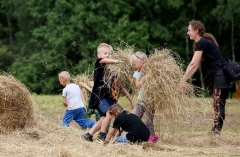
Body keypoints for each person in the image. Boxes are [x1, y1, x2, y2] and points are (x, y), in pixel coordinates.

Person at [181, 20, 231, 134]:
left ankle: (216, 132)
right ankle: (216, 131)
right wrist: (185, 80)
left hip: (221, 76)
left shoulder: (202, 42)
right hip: (222, 76)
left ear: (196, 31)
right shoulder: (202, 43)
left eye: (189, 30)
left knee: (218, 104)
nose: (188, 33)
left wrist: (182, 80)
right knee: (218, 104)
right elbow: (195, 66)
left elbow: (193, 64)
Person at [81, 43, 134, 142]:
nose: (107, 55)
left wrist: (121, 72)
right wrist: (117, 61)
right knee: (109, 113)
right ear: (99, 55)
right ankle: (102, 135)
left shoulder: (110, 70)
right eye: (105, 53)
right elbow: (105, 60)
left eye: (109, 53)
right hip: (99, 96)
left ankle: (88, 135)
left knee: (103, 118)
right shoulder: (99, 63)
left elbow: (117, 84)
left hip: (106, 97)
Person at [131, 51, 158, 143]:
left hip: (151, 99)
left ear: (141, 62)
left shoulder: (152, 71)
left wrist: (149, 75)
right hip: (141, 99)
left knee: (149, 121)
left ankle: (152, 138)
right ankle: (135, 135)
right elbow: (137, 85)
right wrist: (145, 77)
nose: (133, 66)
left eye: (134, 64)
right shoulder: (137, 73)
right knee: (136, 118)